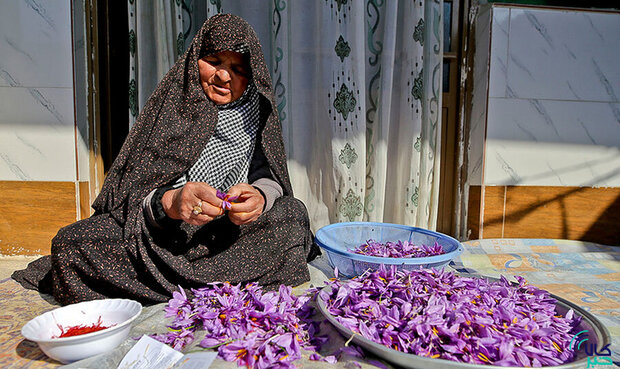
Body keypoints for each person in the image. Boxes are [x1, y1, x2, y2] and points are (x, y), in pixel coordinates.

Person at [12, 14, 319, 305]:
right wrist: (172, 203)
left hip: (224, 237)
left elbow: (267, 172)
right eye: (213, 62)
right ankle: (217, 286)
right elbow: (131, 195)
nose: (224, 76)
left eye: (238, 70)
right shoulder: (174, 104)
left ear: (252, 76)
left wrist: (261, 196)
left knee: (293, 215)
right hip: (160, 241)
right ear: (194, 58)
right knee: (71, 244)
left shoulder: (256, 111)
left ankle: (172, 287)